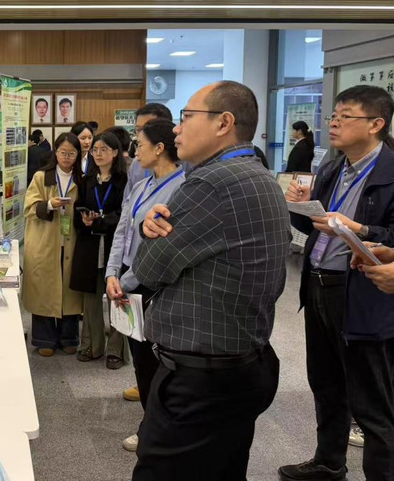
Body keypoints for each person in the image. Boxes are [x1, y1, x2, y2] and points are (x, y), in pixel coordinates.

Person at [133, 81, 290, 480]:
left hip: (201, 380)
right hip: (242, 362)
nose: (176, 128)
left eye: (187, 117)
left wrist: (147, 235)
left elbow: (148, 270)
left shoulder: (210, 184)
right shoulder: (259, 175)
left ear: (224, 123)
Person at [280, 85, 394, 481]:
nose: (333, 123)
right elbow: (316, 227)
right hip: (318, 284)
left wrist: (358, 227)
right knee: (326, 382)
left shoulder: (389, 173)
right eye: (334, 116)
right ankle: (328, 461)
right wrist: (300, 204)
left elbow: (388, 237)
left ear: (376, 124)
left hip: (362, 291)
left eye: (346, 117)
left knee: (372, 398)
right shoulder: (332, 168)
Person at [105, 119, 185, 453]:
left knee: (158, 364)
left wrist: (125, 280)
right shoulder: (141, 186)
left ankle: (155, 429)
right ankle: (150, 423)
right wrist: (112, 272)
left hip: (155, 285)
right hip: (128, 280)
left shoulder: (182, 188)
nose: (134, 150)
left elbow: (163, 247)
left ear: (160, 148)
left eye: (140, 144)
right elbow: (122, 231)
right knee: (141, 360)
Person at [23, 133, 84, 356]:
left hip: (71, 241)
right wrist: (49, 204)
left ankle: (69, 337)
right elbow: (29, 208)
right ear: (55, 152)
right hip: (45, 241)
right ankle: (44, 339)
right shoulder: (41, 177)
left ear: (78, 155)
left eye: (71, 153)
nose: (66, 157)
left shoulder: (81, 178)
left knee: (69, 289)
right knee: (44, 288)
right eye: (62, 152)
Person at [71, 132, 128, 363]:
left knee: (117, 296)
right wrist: (84, 219)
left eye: (103, 149)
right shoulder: (87, 181)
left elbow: (125, 215)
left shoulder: (124, 181)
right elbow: (77, 211)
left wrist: (101, 221)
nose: (98, 153)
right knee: (91, 298)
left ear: (115, 152)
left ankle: (116, 350)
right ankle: (91, 346)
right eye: (95, 149)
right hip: (90, 245)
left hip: (114, 244)